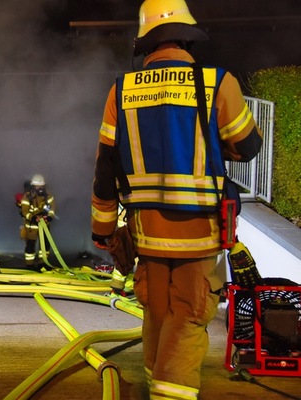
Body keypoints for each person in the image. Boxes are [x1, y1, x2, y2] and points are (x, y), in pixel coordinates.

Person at [90, 0, 263, 398]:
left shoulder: (122, 90)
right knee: (187, 314)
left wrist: (103, 231)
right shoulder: (217, 83)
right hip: (199, 234)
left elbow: (105, 168)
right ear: (186, 37)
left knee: (156, 311)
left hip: (146, 234)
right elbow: (247, 146)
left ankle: (157, 384)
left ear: (146, 41)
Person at [16, 174, 55, 269]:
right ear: (33, 186)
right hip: (31, 226)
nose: (39, 188)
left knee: (45, 245)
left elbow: (52, 208)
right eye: (37, 186)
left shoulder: (48, 195)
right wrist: (33, 218)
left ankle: (43, 263)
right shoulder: (27, 196)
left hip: (44, 224)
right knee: (30, 245)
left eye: (41, 186)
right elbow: (25, 211)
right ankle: (29, 265)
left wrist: (49, 217)